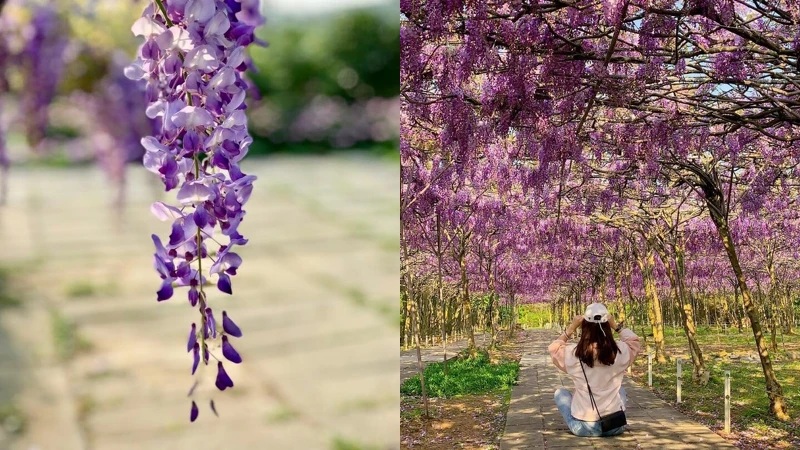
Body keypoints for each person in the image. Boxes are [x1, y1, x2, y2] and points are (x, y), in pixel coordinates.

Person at [547, 303, 642, 437]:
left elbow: (553, 349)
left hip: (583, 427)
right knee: (620, 390)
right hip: (615, 426)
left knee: (560, 393)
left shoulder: (573, 353)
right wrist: (617, 326)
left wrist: (571, 328)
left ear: (584, 327)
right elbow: (634, 342)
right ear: (607, 326)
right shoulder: (620, 351)